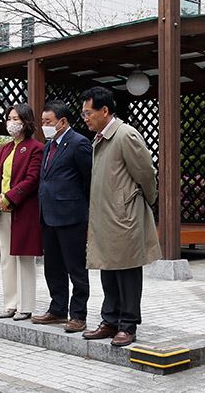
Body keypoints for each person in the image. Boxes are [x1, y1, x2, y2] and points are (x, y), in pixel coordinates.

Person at [79, 86, 161, 346]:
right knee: (108, 270)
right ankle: (110, 321)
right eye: (83, 114)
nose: (86, 118)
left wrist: (141, 202)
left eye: (88, 113)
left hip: (125, 216)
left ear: (105, 111)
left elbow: (146, 174)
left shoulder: (126, 135)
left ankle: (128, 325)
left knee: (127, 272)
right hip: (105, 217)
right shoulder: (100, 138)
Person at [31, 100, 92, 333]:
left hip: (71, 216)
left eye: (48, 122)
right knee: (53, 266)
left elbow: (89, 179)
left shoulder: (79, 143)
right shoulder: (48, 145)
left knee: (75, 267)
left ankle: (78, 315)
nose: (44, 125)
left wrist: (82, 208)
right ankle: (57, 309)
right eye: (43, 121)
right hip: (48, 215)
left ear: (63, 121)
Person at [0, 103, 43, 321]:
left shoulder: (35, 147)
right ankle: (10, 303)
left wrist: (10, 197)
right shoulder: (4, 149)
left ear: (26, 121)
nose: (11, 123)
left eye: (16, 118)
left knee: (24, 258)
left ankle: (26, 306)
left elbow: (32, 179)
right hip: (1, 211)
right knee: (7, 259)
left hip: (23, 211)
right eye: (9, 118)